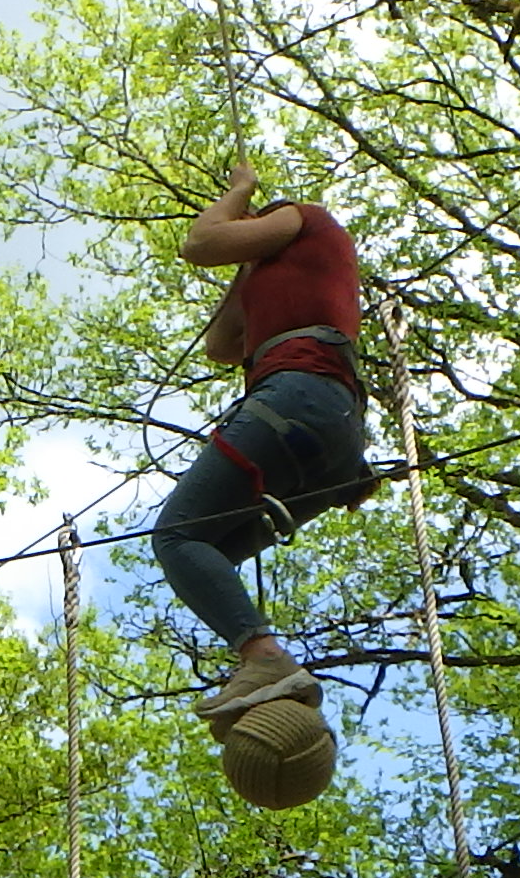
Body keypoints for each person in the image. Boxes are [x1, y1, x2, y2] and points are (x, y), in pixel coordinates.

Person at [155, 163, 371, 719]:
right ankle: (267, 673)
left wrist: (240, 193)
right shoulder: (280, 277)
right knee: (207, 554)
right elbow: (221, 345)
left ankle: (264, 657)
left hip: (299, 395)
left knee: (177, 535)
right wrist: (249, 266)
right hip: (332, 432)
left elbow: (201, 243)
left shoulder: (304, 219)